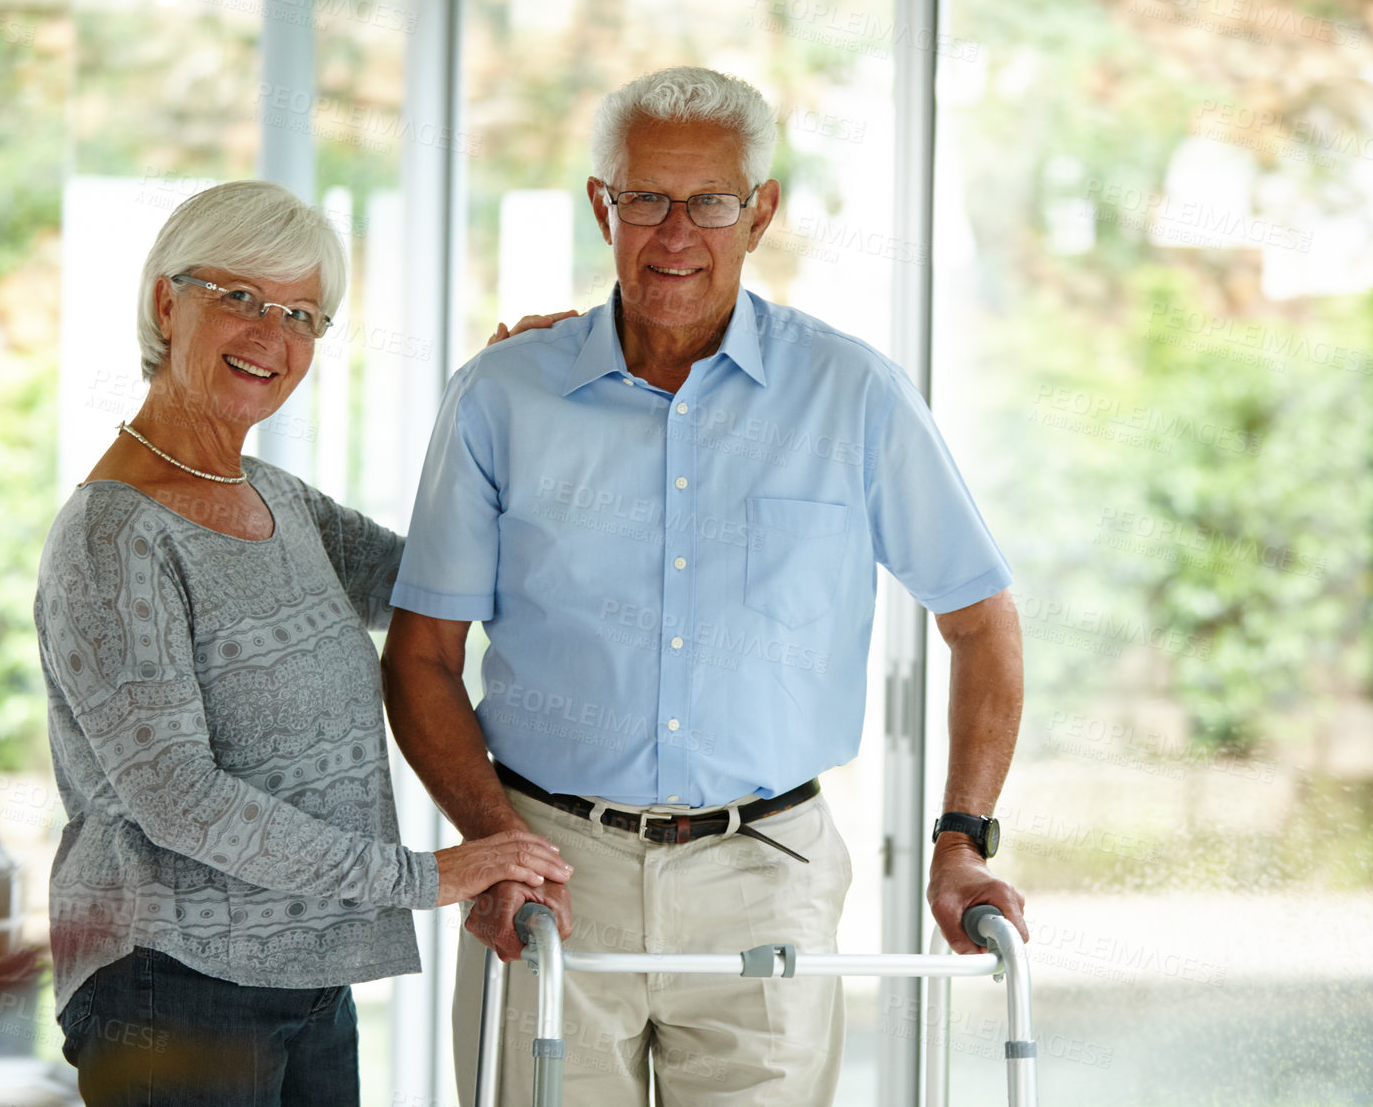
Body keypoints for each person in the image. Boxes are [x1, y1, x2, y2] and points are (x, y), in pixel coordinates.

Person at [382, 67, 1027, 1107]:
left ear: (759, 211)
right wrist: (490, 841)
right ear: (602, 204)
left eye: (710, 201)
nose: (674, 232)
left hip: (766, 873)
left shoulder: (851, 394)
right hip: (551, 865)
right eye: (644, 197)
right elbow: (419, 655)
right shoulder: (501, 396)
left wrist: (962, 841)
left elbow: (981, 620)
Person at [34, 180, 571, 1107]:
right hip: (173, 985)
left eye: (303, 315)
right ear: (168, 301)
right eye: (238, 297)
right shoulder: (114, 535)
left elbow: (443, 579)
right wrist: (427, 877)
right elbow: (181, 801)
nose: (270, 335)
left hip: (308, 977)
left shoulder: (277, 498)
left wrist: (497, 408)